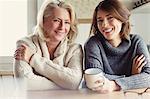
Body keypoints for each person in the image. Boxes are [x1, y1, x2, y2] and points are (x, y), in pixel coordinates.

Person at [14, 0, 83, 90]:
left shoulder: (75, 49)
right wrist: (63, 84)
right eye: (56, 20)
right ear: (43, 21)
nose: (62, 27)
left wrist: (33, 58)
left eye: (67, 22)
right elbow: (24, 82)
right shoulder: (25, 44)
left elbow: (74, 82)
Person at [84, 0, 150, 93]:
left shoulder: (137, 42)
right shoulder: (93, 43)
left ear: (121, 19)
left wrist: (114, 84)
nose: (104, 25)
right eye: (100, 20)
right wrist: (132, 78)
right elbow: (95, 79)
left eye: (110, 18)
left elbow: (148, 76)